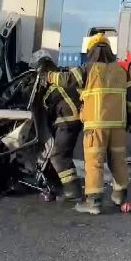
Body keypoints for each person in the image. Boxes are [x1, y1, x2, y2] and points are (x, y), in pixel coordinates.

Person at [41, 33, 131, 214]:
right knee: (117, 160)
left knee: (95, 162)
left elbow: (67, 80)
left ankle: (93, 202)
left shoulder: (89, 68)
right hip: (118, 125)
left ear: (91, 51)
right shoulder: (121, 71)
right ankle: (120, 195)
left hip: (96, 124)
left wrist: (49, 76)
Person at [32, 51, 82, 201]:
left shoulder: (50, 90)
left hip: (66, 122)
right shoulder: (62, 80)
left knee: (59, 156)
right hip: (74, 121)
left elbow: (46, 111)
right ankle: (67, 186)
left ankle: (72, 191)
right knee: (64, 154)